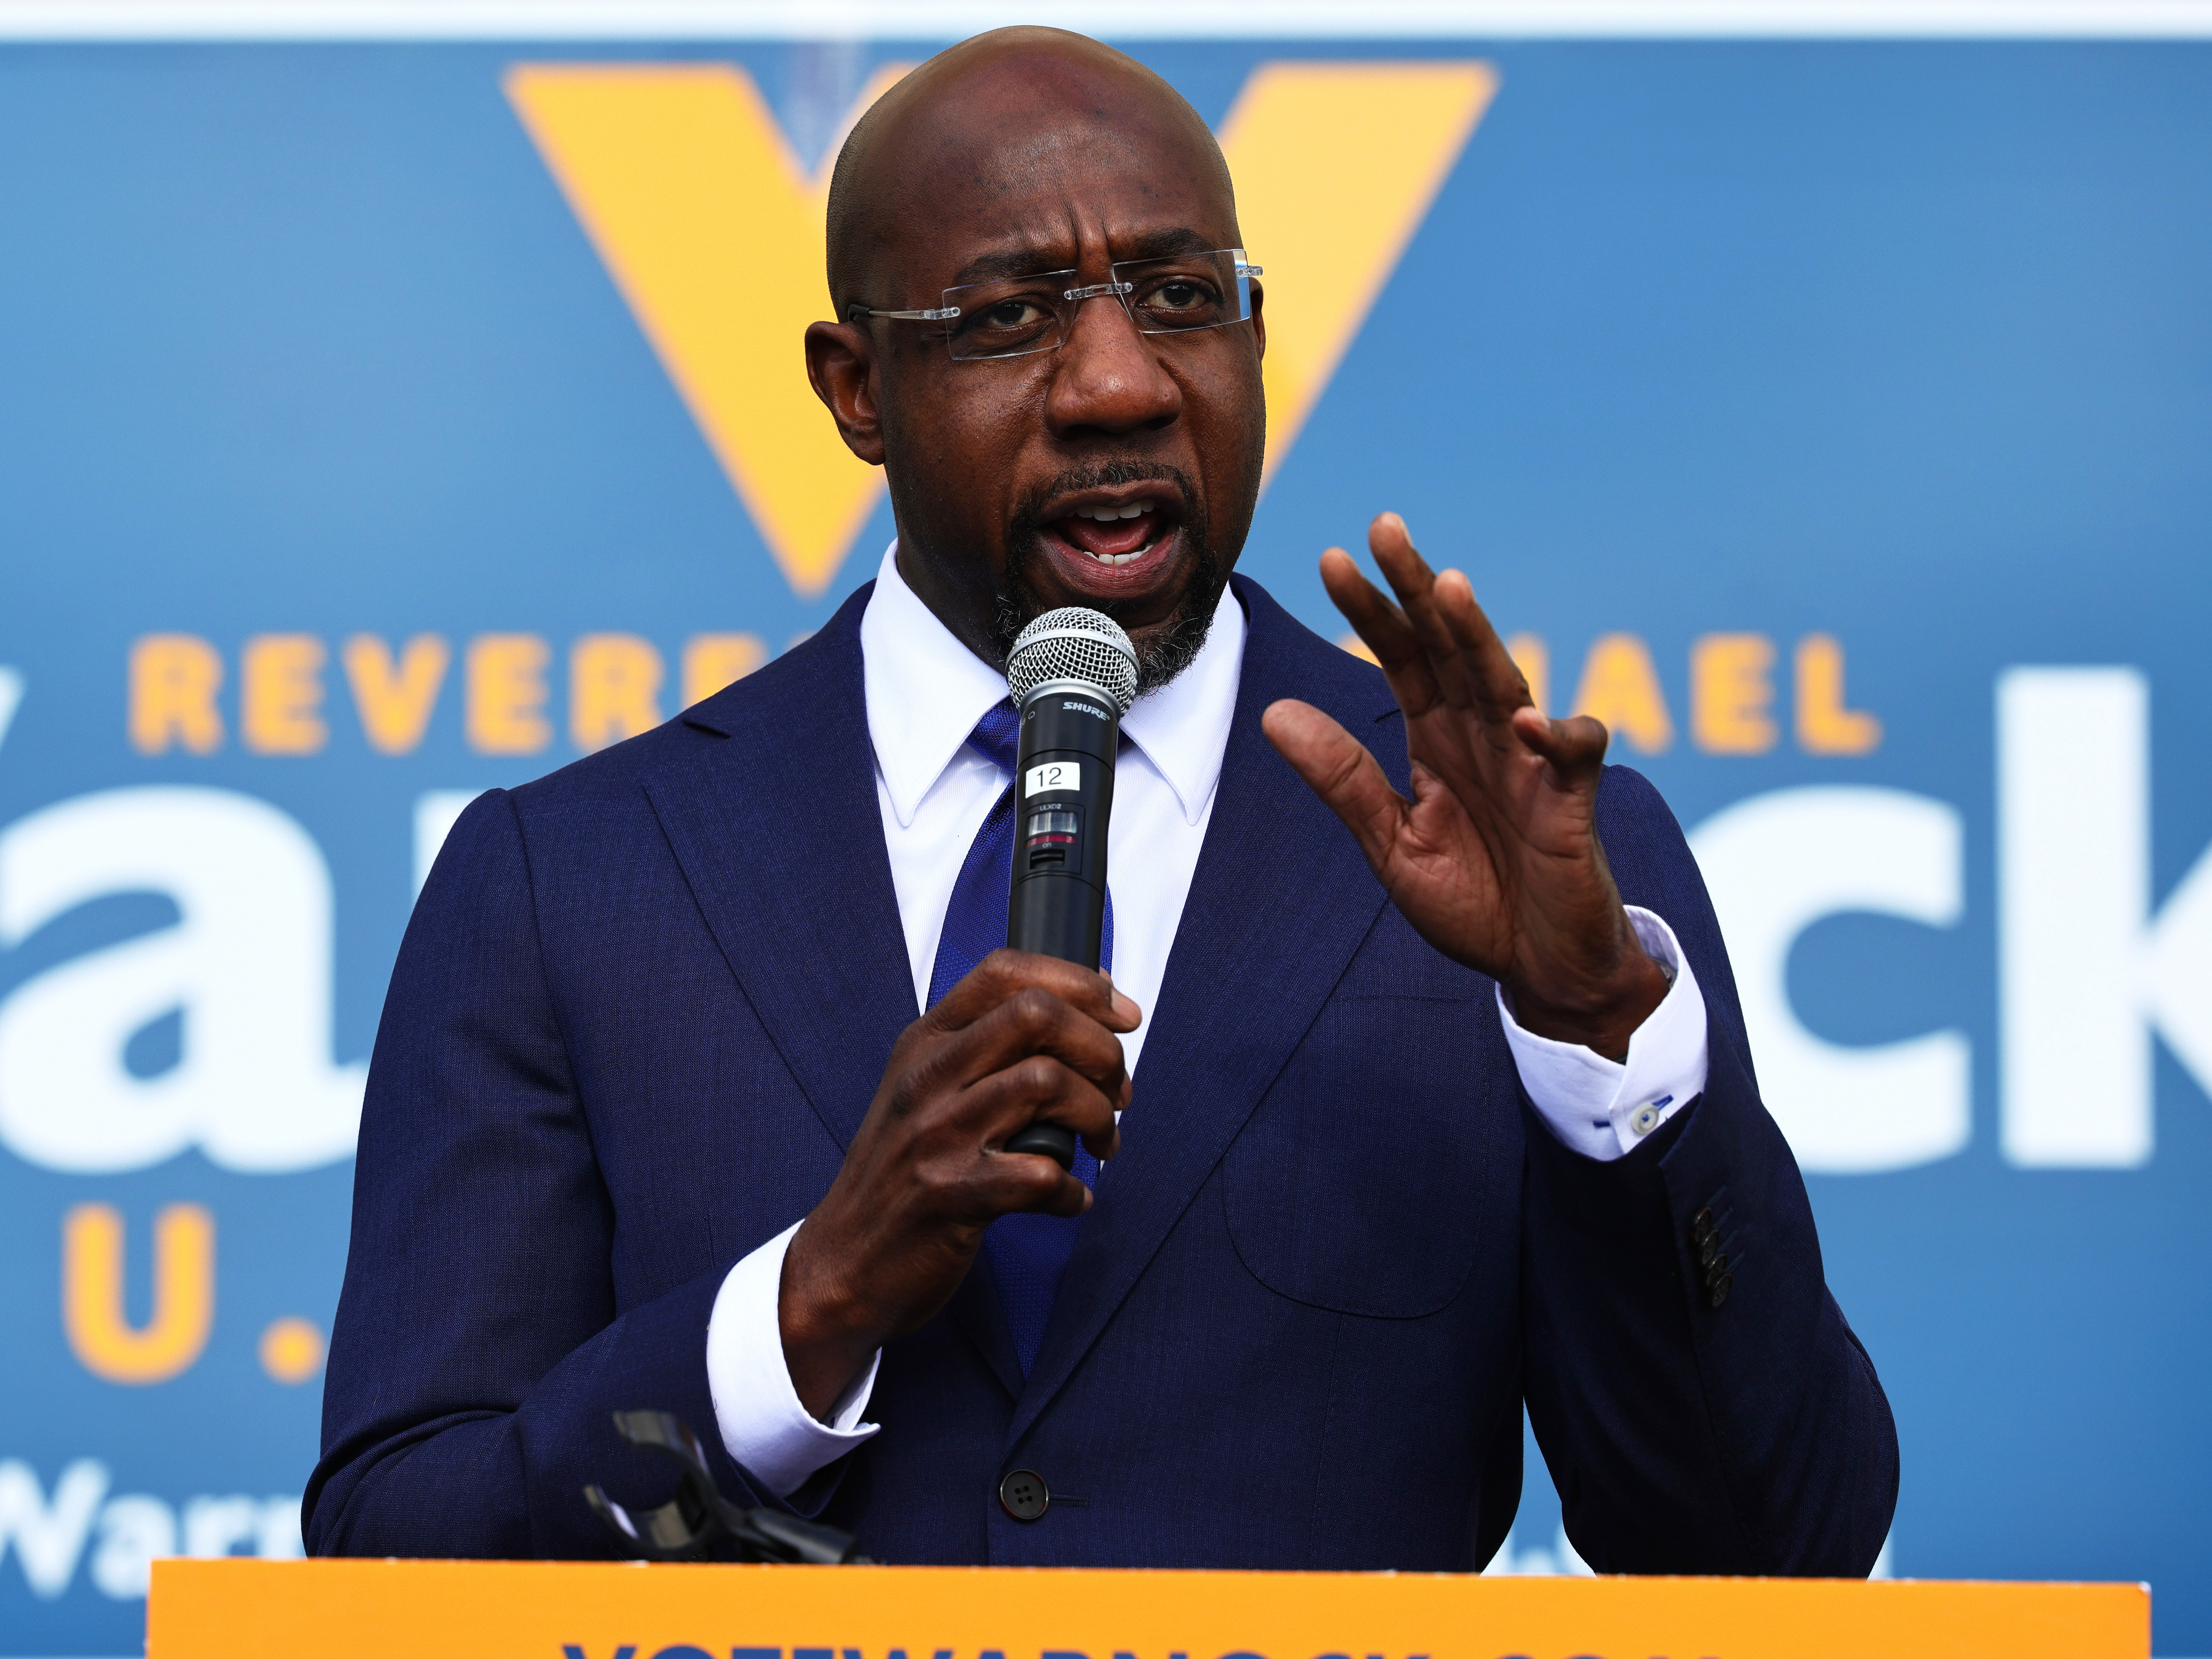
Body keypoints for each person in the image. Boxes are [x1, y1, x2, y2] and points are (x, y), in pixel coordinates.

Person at [307, 27, 1897, 1573]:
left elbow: (1770, 1551)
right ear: (857, 387)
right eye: (1010, 319)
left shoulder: (1535, 859)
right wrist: (806, 1308)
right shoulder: (573, 881)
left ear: (1257, 339)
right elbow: (398, 1551)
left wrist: (1601, 1041)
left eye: (1184, 298)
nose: (1121, 383)